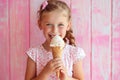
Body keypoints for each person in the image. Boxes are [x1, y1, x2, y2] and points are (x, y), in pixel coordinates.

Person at [25, 0, 86, 80]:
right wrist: (45, 73)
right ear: (40, 24)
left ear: (68, 26)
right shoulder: (34, 54)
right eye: (49, 24)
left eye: (60, 25)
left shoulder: (74, 53)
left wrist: (67, 78)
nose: (54, 30)